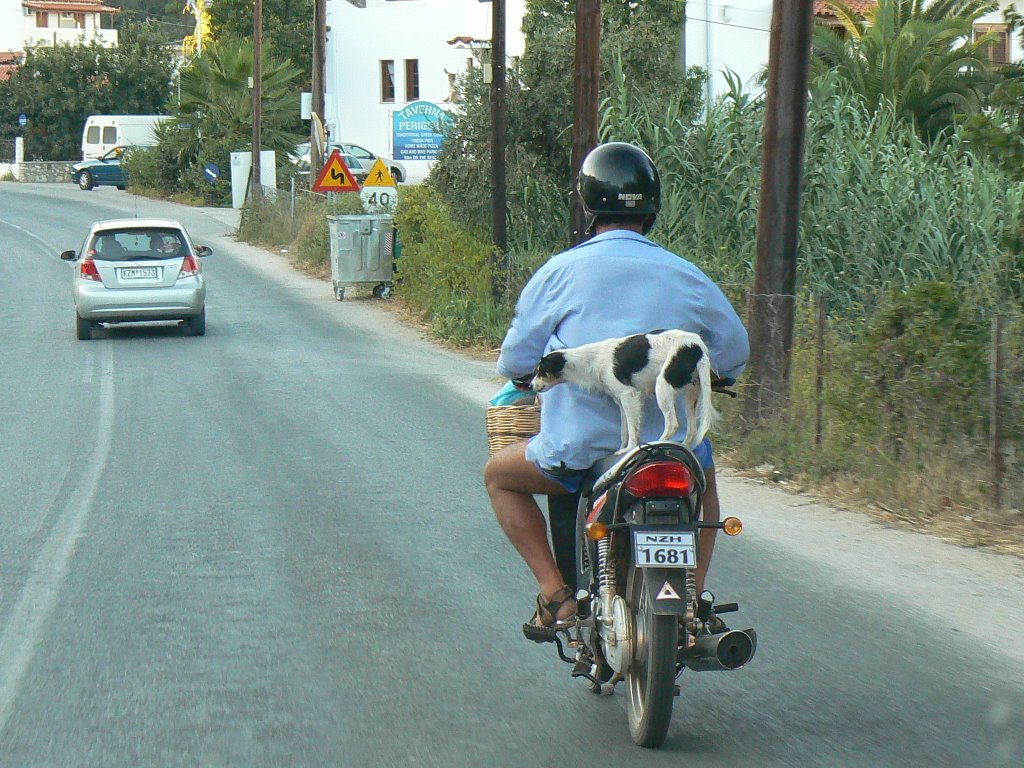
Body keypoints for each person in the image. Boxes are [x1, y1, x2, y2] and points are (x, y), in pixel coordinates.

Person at [483, 141, 749, 635]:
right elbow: (733, 349)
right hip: (664, 451)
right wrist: (713, 374)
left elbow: (516, 360)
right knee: (705, 480)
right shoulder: (686, 274)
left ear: (588, 202)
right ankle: (693, 599)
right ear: (652, 206)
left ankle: (555, 595)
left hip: (578, 450)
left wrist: (530, 375)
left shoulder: (558, 272)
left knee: (498, 476)